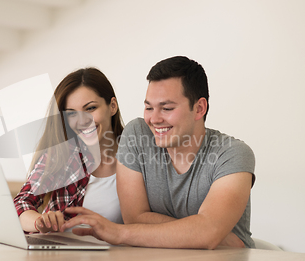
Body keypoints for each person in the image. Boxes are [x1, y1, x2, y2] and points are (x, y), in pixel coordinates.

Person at [61, 56, 256, 249]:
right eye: (149, 107)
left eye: (167, 108)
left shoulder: (233, 154)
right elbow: (134, 218)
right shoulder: (137, 134)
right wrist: (197, 230)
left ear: (199, 108)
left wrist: (118, 232)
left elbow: (208, 234)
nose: (154, 119)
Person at [13, 68, 125, 233]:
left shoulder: (139, 157)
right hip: (63, 256)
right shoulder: (62, 156)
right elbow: (21, 203)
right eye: (72, 114)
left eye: (90, 108)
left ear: (112, 106)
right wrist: (40, 222)